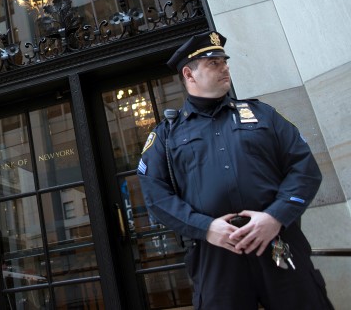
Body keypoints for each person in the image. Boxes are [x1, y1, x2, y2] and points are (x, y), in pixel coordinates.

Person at [137, 30, 333, 309]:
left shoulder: (263, 115)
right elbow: (156, 195)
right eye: (213, 63)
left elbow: (305, 168)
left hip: (276, 241)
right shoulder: (167, 135)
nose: (225, 67)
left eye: (224, 61)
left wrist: (275, 217)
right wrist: (204, 227)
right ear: (189, 75)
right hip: (215, 255)